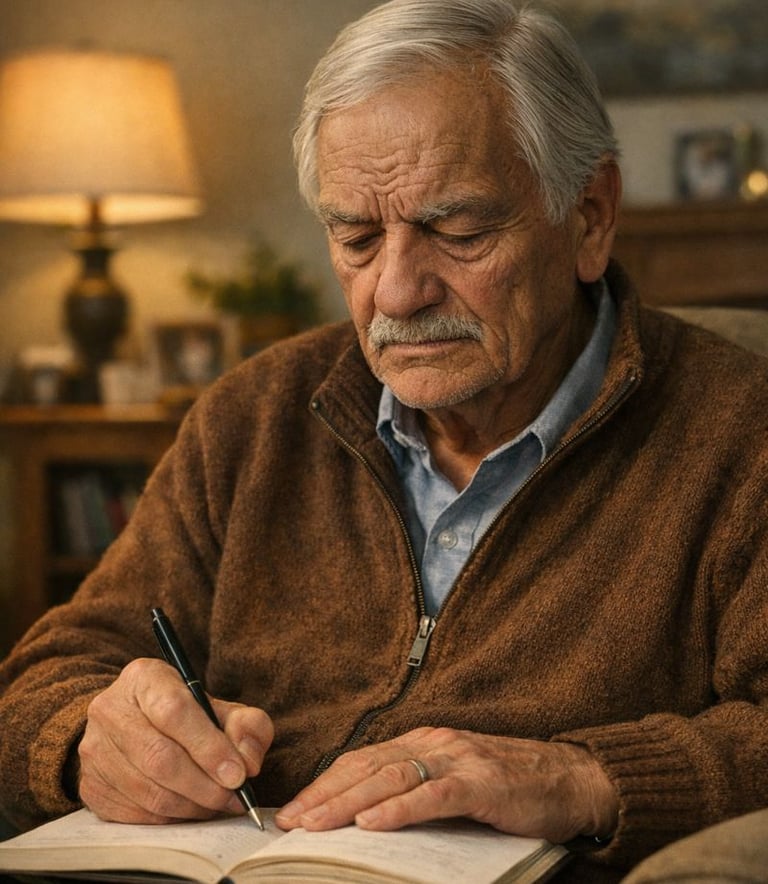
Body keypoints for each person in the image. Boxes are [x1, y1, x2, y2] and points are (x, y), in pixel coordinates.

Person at [1, 1, 767, 881]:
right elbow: (49, 671)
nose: (396, 292)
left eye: (459, 230)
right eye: (356, 237)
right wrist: (86, 738)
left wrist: (585, 775)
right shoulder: (253, 417)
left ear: (590, 216)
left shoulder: (743, 433)